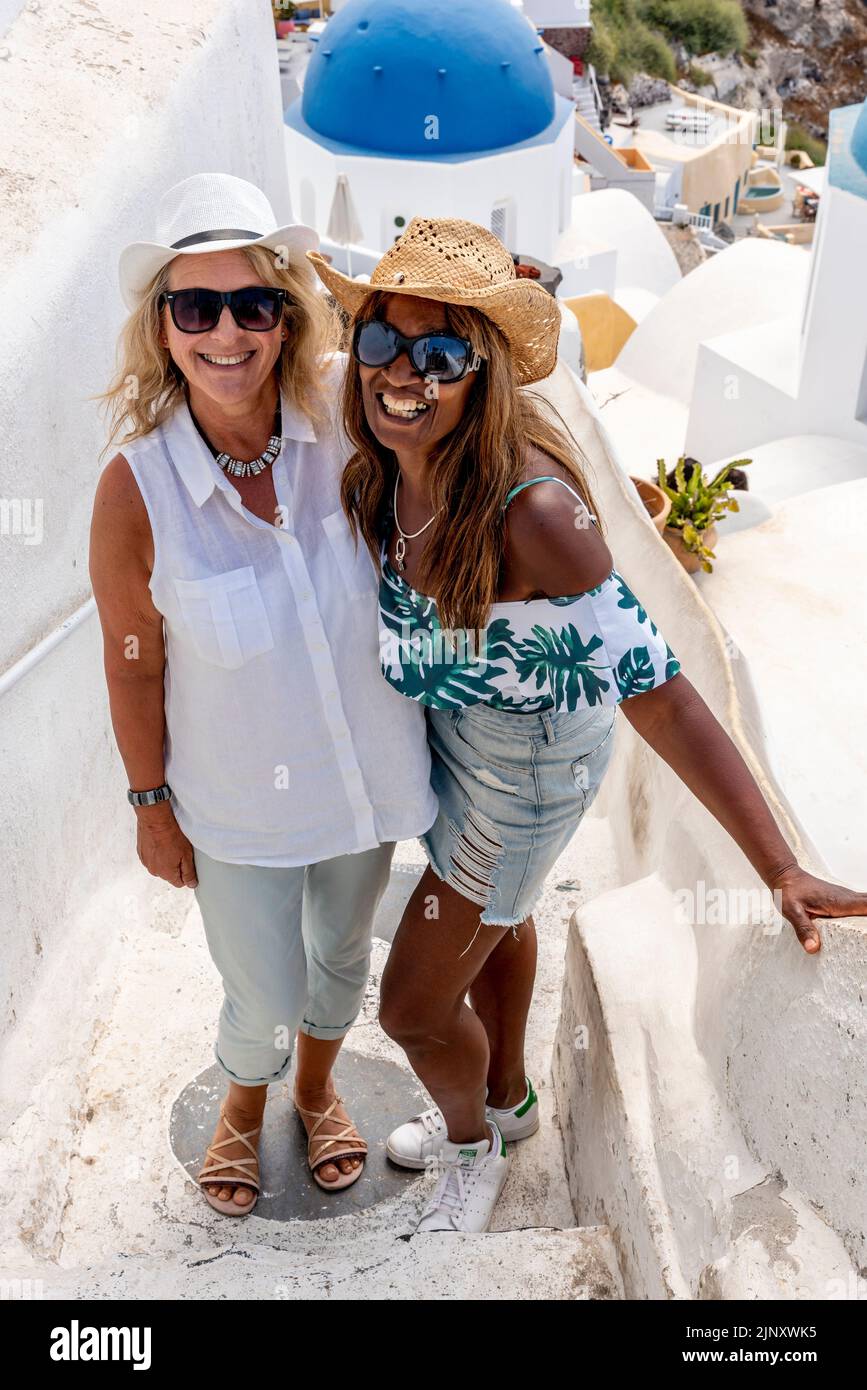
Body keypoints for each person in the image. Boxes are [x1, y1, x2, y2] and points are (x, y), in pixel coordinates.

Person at [308, 216, 867, 1234]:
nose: (402, 373)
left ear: (483, 371)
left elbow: (661, 690)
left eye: (440, 355)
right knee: (502, 923)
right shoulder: (384, 468)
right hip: (459, 746)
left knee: (413, 1008)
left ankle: (473, 1149)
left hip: (523, 781)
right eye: (382, 339)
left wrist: (777, 865)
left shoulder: (533, 515)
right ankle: (510, 1102)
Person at [89, 174, 437, 1216]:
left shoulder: (345, 417)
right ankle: (244, 1102)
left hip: (365, 778)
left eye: (252, 304)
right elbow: (133, 658)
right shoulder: (137, 488)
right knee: (261, 986)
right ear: (163, 329)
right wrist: (149, 804)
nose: (226, 333)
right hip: (237, 801)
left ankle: (317, 1091)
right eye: (196, 308)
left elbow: (450, 408)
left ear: (286, 317)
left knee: (340, 958)